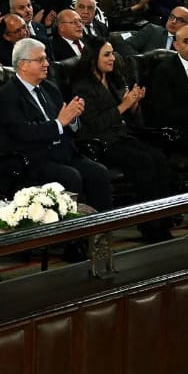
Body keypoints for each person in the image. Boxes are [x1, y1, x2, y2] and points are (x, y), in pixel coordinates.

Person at [0, 37, 112, 211]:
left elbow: (66, 122)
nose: (46, 63)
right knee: (71, 177)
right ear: (23, 65)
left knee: (98, 172)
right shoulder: (7, 95)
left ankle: (104, 224)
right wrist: (59, 123)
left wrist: (73, 118)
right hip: (32, 160)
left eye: (46, 58)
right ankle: (74, 229)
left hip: (63, 153)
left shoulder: (50, 88)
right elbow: (23, 132)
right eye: (40, 60)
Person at [70, 39, 175, 242]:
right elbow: (94, 124)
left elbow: (126, 117)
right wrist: (124, 105)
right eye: (107, 54)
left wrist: (134, 103)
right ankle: (149, 226)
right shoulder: (82, 87)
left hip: (121, 136)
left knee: (159, 158)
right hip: (100, 143)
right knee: (144, 162)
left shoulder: (113, 79)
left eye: (112, 54)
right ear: (93, 59)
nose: (112, 58)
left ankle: (164, 218)